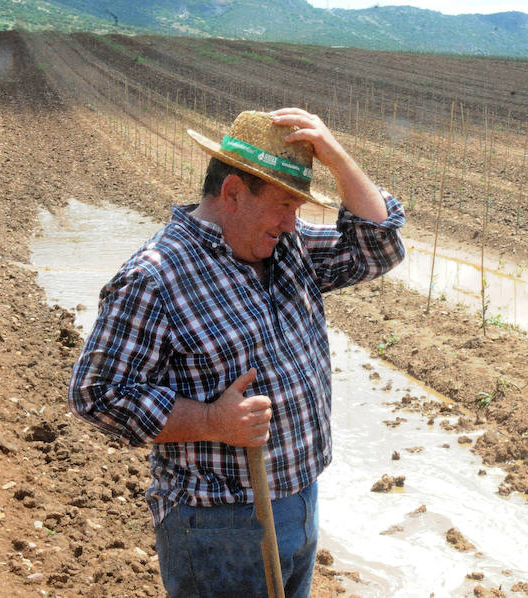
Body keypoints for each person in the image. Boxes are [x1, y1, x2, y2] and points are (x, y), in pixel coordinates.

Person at [69, 107, 405, 597]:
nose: (293, 223)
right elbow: (97, 394)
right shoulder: (156, 277)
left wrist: (338, 158)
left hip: (300, 501)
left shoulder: (289, 251)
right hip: (215, 523)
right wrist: (211, 421)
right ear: (232, 194)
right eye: (285, 204)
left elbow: (379, 249)